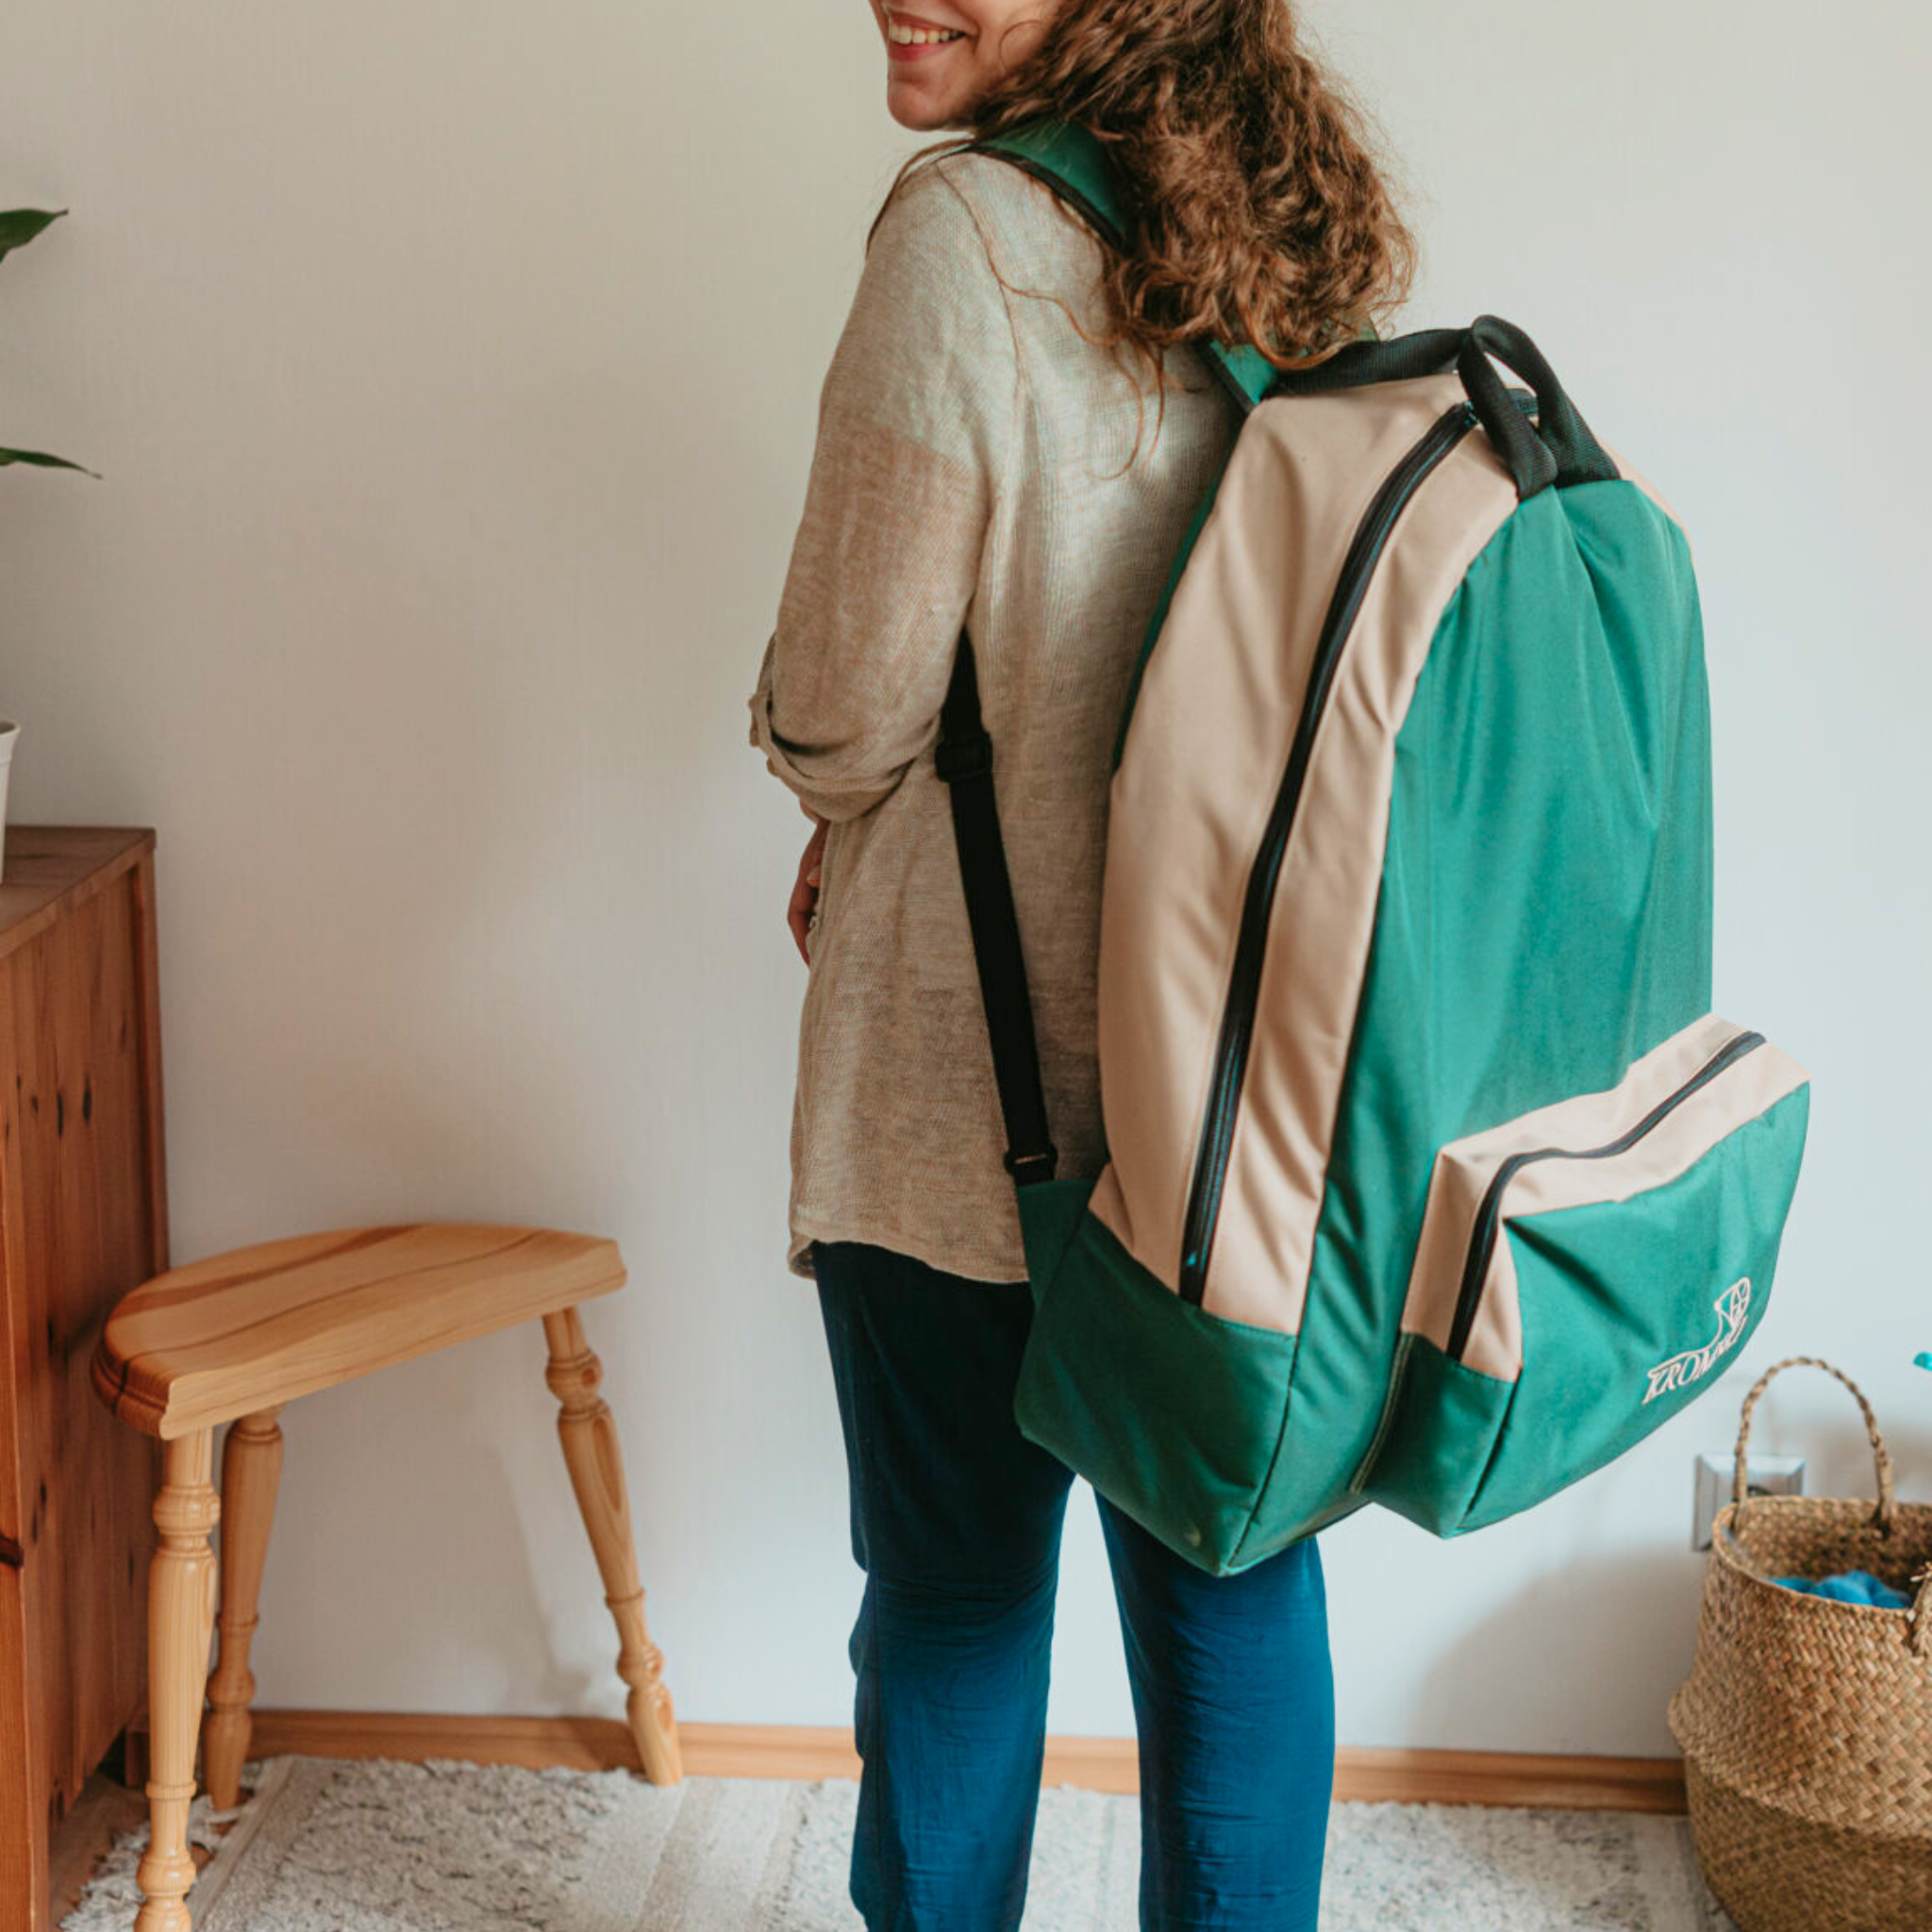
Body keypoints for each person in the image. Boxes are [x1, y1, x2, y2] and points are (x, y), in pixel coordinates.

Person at [746, 4, 1418, 1925]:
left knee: (955, 1598)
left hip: (976, 1091)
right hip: (1242, 1100)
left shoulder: (963, 233)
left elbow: (847, 698)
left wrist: (809, 765)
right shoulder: (1282, 218)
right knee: (1232, 1584)